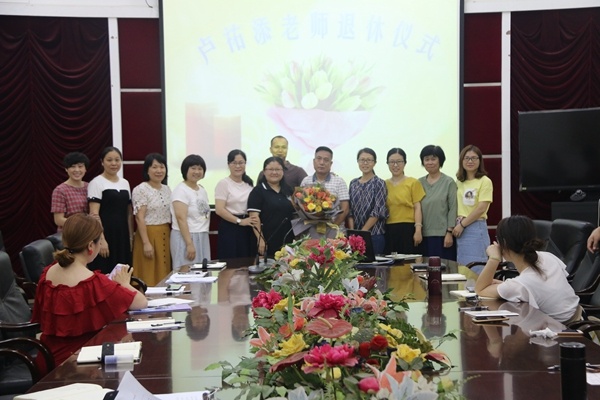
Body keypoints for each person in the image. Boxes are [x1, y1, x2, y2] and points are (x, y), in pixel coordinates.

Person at [31, 213, 147, 366]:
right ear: (91, 246)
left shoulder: (47, 273)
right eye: (100, 241)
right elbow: (141, 302)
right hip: (78, 362)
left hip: (47, 357)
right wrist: (125, 283)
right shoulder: (93, 282)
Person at [475, 215, 580, 323]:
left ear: (505, 243)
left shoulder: (520, 285)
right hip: (579, 316)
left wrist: (494, 258)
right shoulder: (547, 256)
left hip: (562, 328)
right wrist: (505, 285)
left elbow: (480, 290)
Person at [88, 146, 133, 273]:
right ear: (102, 162)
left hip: (122, 235)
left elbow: (129, 213)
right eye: (109, 160)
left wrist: (130, 238)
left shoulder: (125, 183)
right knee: (106, 271)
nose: (114, 163)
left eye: (117, 160)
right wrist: (101, 240)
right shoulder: (96, 183)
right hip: (105, 233)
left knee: (123, 272)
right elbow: (94, 214)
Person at [131, 153, 172, 286]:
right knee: (148, 272)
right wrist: (146, 243)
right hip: (148, 234)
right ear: (147, 170)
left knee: (164, 272)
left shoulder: (167, 189)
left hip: (165, 233)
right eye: (154, 167)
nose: (159, 170)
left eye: (162, 167)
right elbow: (139, 217)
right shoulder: (141, 189)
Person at [452, 145, 493, 270]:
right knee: (463, 268)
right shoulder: (459, 182)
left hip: (475, 227)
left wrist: (462, 224)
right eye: (467, 158)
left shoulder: (485, 181)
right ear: (461, 161)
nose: (470, 161)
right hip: (459, 228)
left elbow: (481, 208)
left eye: (474, 158)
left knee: (476, 268)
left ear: (480, 161)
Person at [214, 150, 259, 258]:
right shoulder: (224, 183)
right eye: (234, 163)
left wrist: (246, 222)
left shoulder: (249, 184)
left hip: (248, 227)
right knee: (231, 262)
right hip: (230, 227)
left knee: (247, 260)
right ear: (228, 164)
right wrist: (240, 221)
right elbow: (219, 209)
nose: (238, 166)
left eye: (241, 162)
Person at [248, 157, 295, 258]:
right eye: (270, 169)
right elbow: (254, 218)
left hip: (288, 240)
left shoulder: (288, 190)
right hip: (267, 240)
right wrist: (260, 239)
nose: (274, 172)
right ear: (264, 172)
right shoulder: (258, 191)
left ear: (283, 171)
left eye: (277, 169)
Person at [171, 154, 211, 271]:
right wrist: (189, 243)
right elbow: (181, 219)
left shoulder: (202, 190)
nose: (197, 171)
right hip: (186, 237)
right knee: (187, 275)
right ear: (185, 170)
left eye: (200, 168)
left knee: (203, 272)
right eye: (193, 168)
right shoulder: (181, 190)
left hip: (202, 235)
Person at [418, 145, 457, 260]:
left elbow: (453, 208)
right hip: (423, 235)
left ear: (440, 161)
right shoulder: (419, 183)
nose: (430, 162)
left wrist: (449, 232)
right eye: (426, 159)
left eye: (433, 159)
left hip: (443, 236)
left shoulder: (449, 182)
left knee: (444, 268)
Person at [384, 148, 425, 255]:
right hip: (389, 229)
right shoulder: (384, 184)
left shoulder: (413, 182)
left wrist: (418, 230)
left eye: (399, 161)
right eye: (392, 162)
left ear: (405, 163)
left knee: (408, 261)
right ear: (387, 163)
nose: (395, 165)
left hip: (408, 228)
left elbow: (417, 207)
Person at [348, 148, 388, 255]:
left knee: (373, 265)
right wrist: (353, 233)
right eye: (362, 160)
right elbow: (350, 210)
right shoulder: (353, 183)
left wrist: (363, 233)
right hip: (355, 237)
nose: (365, 163)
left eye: (369, 160)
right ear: (358, 161)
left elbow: (378, 210)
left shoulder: (379, 183)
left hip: (374, 235)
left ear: (374, 163)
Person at [300, 146, 350, 228]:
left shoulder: (339, 182)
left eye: (326, 160)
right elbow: (301, 206)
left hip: (334, 230)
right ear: (314, 161)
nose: (322, 163)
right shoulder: (306, 181)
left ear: (331, 164)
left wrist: (332, 226)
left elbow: (345, 208)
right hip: (311, 229)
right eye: (319, 159)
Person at [51, 152, 90, 231]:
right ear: (66, 169)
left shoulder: (90, 187)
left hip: (88, 232)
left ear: (85, 169)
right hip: (70, 233)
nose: (77, 170)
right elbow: (58, 220)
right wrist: (81, 224)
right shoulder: (60, 190)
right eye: (72, 166)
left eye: (80, 166)